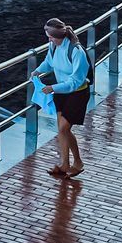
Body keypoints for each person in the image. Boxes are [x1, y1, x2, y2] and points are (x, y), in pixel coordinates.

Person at [34, 18, 92, 178]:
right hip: (61, 93)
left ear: (58, 35)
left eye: (50, 36)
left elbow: (75, 82)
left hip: (77, 93)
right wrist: (37, 71)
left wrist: (52, 88)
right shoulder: (53, 46)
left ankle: (78, 162)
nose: (49, 39)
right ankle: (65, 164)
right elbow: (49, 62)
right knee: (62, 130)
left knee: (63, 129)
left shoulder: (76, 51)